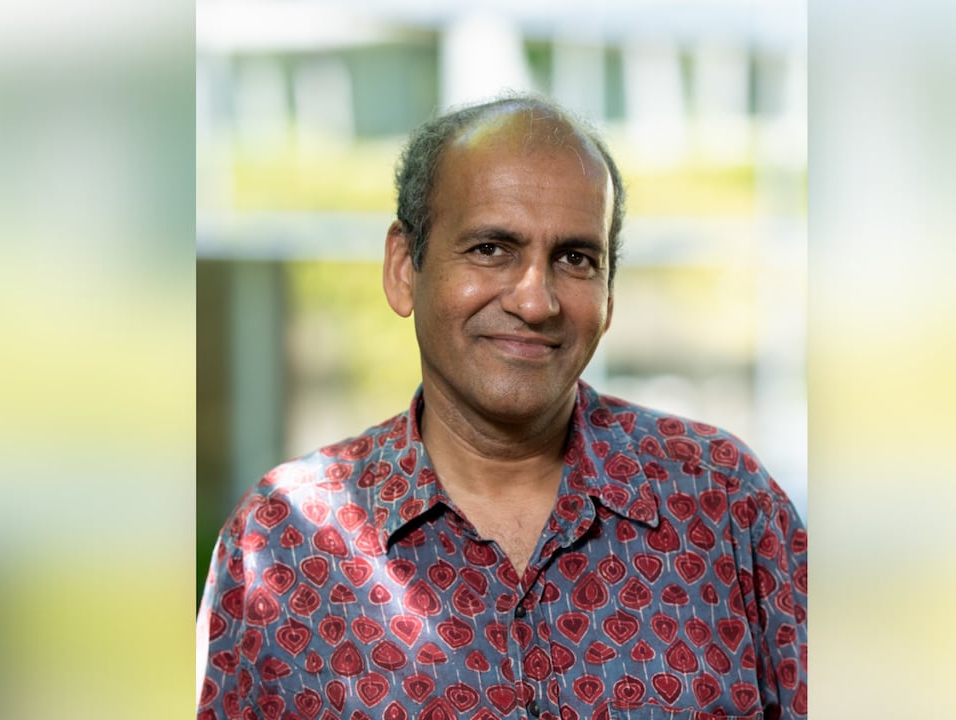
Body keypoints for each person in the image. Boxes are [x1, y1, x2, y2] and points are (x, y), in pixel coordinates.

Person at [197, 95, 807, 720]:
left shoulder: (727, 502)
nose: (536, 301)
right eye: (492, 249)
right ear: (405, 268)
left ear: (609, 294)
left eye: (575, 259)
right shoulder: (282, 544)